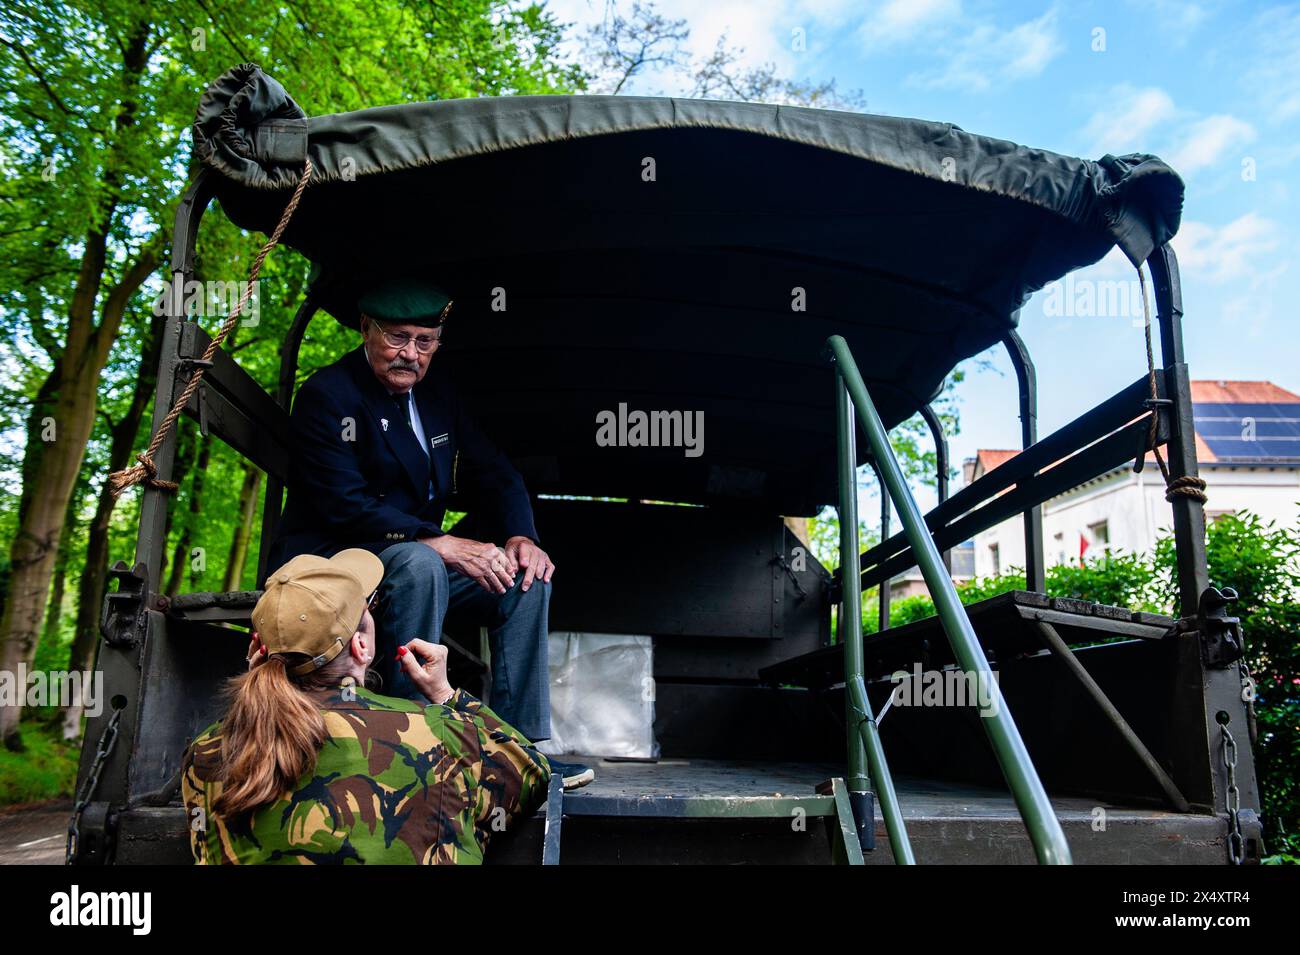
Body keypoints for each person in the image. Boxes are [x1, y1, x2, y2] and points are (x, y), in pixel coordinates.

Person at [266, 277, 591, 788]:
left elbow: (495, 471)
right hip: (335, 561)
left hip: (415, 558)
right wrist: (436, 541)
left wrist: (521, 536)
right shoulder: (328, 395)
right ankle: (412, 742)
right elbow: (343, 504)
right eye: (397, 338)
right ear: (365, 329)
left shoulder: (439, 396)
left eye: (424, 342)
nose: (409, 355)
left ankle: (521, 751)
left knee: (527, 577)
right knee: (423, 564)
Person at [181, 549, 552, 864]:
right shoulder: (444, 733)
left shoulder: (208, 755)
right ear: (362, 648)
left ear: (258, 651)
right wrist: (446, 694)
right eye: (371, 608)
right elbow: (532, 773)